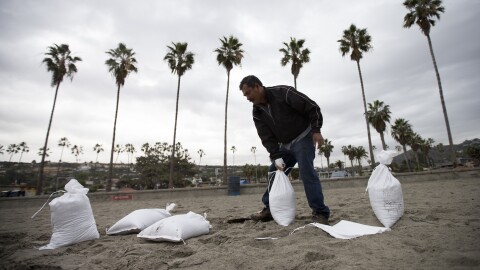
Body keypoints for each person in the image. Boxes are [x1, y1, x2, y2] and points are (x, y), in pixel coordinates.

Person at [239, 75, 330, 225]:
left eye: (248, 93)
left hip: (303, 137)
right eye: (245, 95)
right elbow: (266, 136)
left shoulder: (284, 92)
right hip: (285, 145)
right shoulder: (257, 112)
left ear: (257, 86)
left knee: (306, 171)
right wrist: (276, 156)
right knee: (273, 172)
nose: (247, 98)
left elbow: (312, 107)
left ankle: (320, 212)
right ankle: (269, 208)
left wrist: (316, 130)